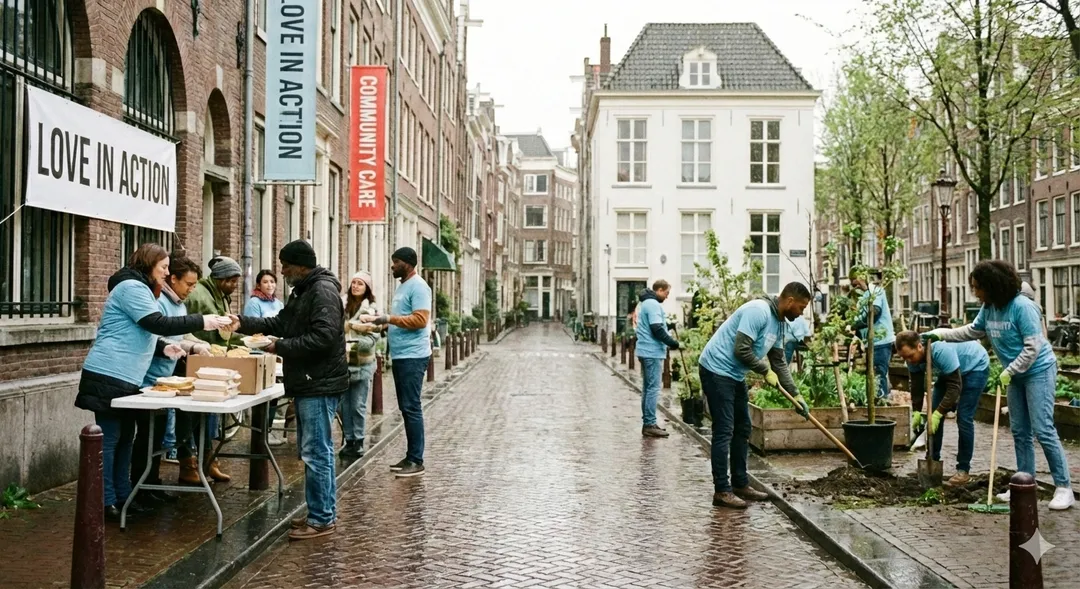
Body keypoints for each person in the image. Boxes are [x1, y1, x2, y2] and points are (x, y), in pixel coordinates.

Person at [74, 244, 231, 521]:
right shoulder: (131, 288)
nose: (167, 273)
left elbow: (141, 331)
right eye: (164, 267)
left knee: (125, 439)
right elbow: (156, 323)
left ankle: (124, 496)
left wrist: (163, 348)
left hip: (126, 376)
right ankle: (105, 501)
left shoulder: (143, 289)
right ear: (149, 265)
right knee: (110, 440)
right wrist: (202, 321)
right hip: (109, 373)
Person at [925, 260, 1074, 510]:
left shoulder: (1023, 307)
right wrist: (942, 334)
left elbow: (1033, 347)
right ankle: (1025, 483)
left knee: (1043, 428)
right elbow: (974, 330)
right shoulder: (989, 307)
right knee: (1019, 431)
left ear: (993, 285)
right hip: (1014, 374)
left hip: (1038, 371)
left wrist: (1010, 370)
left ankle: (1064, 487)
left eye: (978, 287)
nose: (975, 292)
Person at [230, 240, 349, 539]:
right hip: (311, 380)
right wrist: (240, 323)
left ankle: (321, 519)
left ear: (300, 265)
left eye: (285, 266)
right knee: (314, 450)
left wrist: (279, 347)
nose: (281, 271)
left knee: (316, 452)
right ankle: (321, 511)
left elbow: (323, 337)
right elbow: (281, 323)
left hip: (318, 382)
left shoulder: (321, 291)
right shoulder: (304, 290)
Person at [697, 283, 812, 509]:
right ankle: (722, 491)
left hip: (735, 374)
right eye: (801, 307)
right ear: (790, 301)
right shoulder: (758, 311)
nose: (801, 313)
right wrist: (764, 370)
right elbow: (741, 349)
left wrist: (796, 395)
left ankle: (740, 483)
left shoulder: (779, 323)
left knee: (743, 428)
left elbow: (778, 361)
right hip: (715, 369)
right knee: (725, 429)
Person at [134, 256, 212, 495]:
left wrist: (197, 346)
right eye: (188, 284)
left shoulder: (180, 304)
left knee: (157, 437)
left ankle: (153, 485)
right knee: (147, 437)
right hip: (149, 379)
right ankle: (141, 488)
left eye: (194, 285)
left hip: (166, 381)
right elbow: (156, 337)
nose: (191, 290)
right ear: (173, 279)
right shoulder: (158, 301)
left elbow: (181, 337)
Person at [360, 247, 431, 478]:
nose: (392, 266)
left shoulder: (419, 287)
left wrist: (388, 318)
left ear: (408, 264)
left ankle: (416, 460)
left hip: (413, 355)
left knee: (411, 406)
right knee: (406, 407)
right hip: (401, 355)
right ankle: (411, 456)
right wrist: (379, 324)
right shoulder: (403, 287)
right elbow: (401, 319)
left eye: (396, 261)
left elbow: (420, 320)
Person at [894, 330, 989, 487]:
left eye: (910, 356)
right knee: (932, 415)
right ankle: (932, 459)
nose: (908, 361)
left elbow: (955, 386)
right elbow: (916, 385)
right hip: (950, 371)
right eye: (904, 358)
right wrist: (916, 410)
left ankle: (963, 470)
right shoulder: (912, 358)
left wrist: (939, 413)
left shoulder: (940, 350)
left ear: (919, 346)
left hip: (974, 366)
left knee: (964, 418)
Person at [184, 255, 245, 483]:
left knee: (208, 416)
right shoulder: (199, 295)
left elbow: (224, 332)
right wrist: (197, 347)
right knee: (190, 416)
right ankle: (188, 463)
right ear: (220, 279)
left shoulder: (221, 296)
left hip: (211, 363)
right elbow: (184, 326)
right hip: (192, 363)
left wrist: (244, 342)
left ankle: (208, 460)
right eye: (232, 281)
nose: (235, 285)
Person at [340, 271, 380, 458]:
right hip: (343, 364)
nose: (356, 286)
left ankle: (358, 441)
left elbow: (373, 338)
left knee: (358, 405)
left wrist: (350, 342)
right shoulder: (341, 306)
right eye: (354, 282)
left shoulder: (371, 310)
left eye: (360, 283)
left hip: (362, 364)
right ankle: (349, 440)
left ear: (367, 288)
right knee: (343, 405)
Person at [634, 280, 680, 438]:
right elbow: (656, 328)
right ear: (659, 290)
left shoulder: (645, 303)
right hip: (652, 352)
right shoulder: (653, 304)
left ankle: (648, 422)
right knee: (653, 388)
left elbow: (655, 325)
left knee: (647, 388)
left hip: (645, 350)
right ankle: (649, 424)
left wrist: (668, 326)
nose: (667, 297)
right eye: (666, 293)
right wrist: (672, 342)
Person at [850, 271, 895, 404]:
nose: (855, 286)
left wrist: (856, 323)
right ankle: (878, 400)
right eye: (853, 284)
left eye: (857, 282)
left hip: (881, 340)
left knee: (879, 372)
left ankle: (882, 401)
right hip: (871, 342)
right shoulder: (863, 297)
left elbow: (874, 312)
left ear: (863, 278)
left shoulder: (876, 291)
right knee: (874, 373)